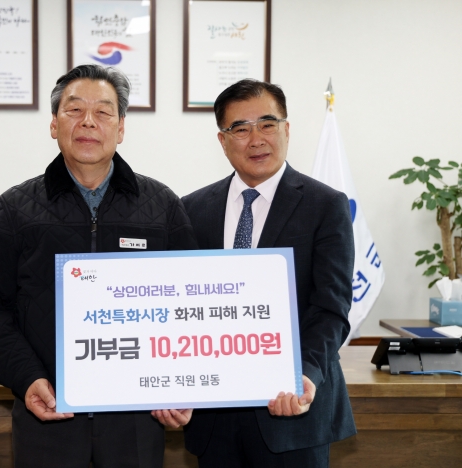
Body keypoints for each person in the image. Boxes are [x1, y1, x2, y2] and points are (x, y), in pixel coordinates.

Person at [0, 64, 197, 468]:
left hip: (136, 419)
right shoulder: (15, 209)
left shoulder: (162, 207)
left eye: (103, 111)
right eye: (74, 110)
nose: (88, 121)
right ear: (54, 124)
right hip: (48, 414)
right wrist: (27, 377)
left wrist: (180, 384)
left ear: (121, 127)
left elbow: (191, 305)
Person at [152, 79, 356, 467]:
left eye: (267, 124)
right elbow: (179, 311)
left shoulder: (325, 205)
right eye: (240, 129)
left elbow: (331, 308)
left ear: (287, 129)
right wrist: (174, 384)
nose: (256, 139)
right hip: (214, 416)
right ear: (223, 140)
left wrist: (304, 374)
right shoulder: (191, 209)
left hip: (292, 410)